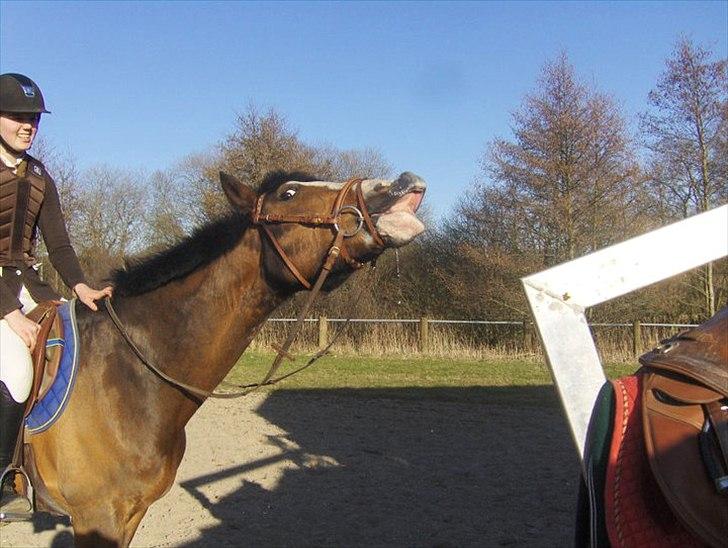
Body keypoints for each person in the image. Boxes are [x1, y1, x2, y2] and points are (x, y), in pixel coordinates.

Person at [0, 73, 112, 514]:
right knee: (16, 365)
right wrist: (9, 313)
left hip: (28, 281)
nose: (27, 125)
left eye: (34, 118)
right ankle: (3, 481)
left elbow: (58, 244)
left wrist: (80, 285)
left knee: (72, 345)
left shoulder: (40, 175)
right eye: (17, 117)